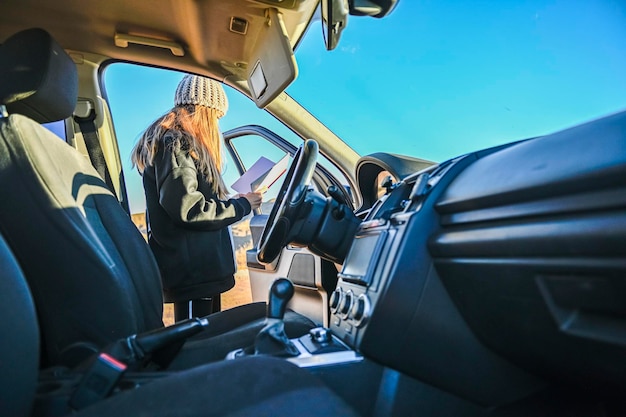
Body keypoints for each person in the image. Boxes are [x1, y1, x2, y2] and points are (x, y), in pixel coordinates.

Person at [131, 74, 263, 321]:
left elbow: (189, 201)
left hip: (199, 272)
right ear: (204, 111)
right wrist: (243, 205)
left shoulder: (179, 145)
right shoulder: (177, 144)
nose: (216, 126)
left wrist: (236, 201)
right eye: (215, 117)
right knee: (196, 340)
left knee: (207, 336)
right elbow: (189, 209)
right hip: (192, 275)